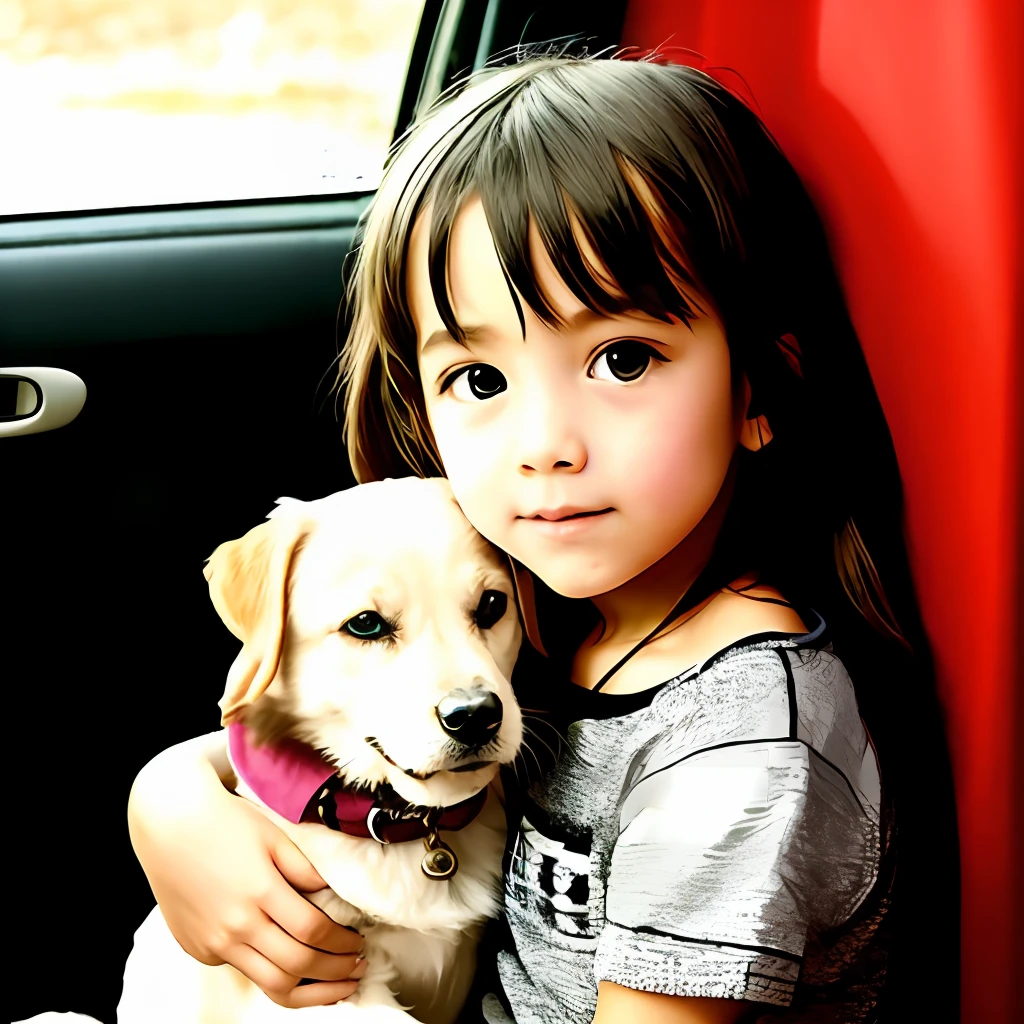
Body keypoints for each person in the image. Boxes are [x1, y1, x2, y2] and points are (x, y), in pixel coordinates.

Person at [128, 53, 959, 1023]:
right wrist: (172, 797)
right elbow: (317, 727)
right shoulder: (556, 604)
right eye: (481, 381)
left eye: (621, 357)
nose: (543, 446)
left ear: (758, 392)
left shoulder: (735, 750)